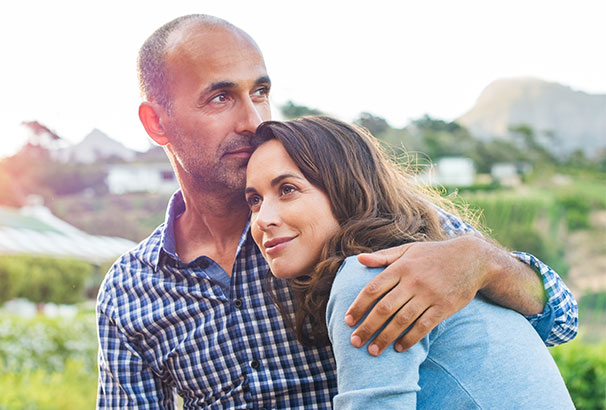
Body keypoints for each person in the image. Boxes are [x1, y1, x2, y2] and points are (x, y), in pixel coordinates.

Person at [97, 14, 577, 408]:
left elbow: (560, 319)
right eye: (220, 98)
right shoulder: (129, 292)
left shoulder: (362, 223)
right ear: (156, 121)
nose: (253, 120)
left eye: (260, 92)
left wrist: (483, 262)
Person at [244, 116, 574, 408]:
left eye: (287, 189)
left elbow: (565, 322)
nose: (262, 219)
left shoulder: (370, 275)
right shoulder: (416, 253)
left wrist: (485, 258)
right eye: (255, 200)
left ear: (346, 191)